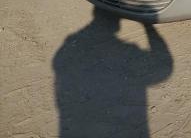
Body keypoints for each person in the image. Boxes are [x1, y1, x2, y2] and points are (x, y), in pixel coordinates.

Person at [53, 8, 173, 137]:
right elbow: (164, 69)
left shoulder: (70, 43)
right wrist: (148, 26)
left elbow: (58, 63)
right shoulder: (127, 51)